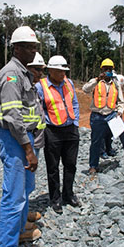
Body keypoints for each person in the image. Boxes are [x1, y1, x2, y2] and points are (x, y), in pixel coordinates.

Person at [0, 26, 42, 247]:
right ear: (16, 48)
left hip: (25, 139)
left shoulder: (23, 73)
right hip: (15, 140)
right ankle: (7, 245)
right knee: (14, 198)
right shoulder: (11, 74)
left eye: (34, 47)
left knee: (25, 190)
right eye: (29, 47)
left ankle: (20, 231)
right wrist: (28, 150)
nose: (33, 51)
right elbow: (13, 117)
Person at [35, 55, 81, 214]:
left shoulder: (69, 83)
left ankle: (68, 194)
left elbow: (75, 103)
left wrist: (75, 123)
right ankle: (55, 199)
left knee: (71, 165)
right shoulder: (41, 86)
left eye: (64, 71)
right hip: (52, 132)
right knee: (53, 168)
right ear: (51, 70)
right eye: (60, 71)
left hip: (70, 130)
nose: (63, 74)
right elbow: (39, 110)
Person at [82, 58, 124, 176]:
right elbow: (85, 89)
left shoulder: (116, 83)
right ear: (101, 70)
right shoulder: (95, 82)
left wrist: (119, 112)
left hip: (111, 115)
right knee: (96, 141)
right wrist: (97, 79)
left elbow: (121, 101)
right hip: (97, 116)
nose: (107, 71)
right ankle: (93, 166)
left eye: (109, 69)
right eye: (105, 69)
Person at [99, 72, 124, 159]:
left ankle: (108, 149)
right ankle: (102, 151)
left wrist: (119, 111)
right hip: (103, 113)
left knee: (110, 134)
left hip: (113, 113)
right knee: (102, 134)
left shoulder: (116, 85)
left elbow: (119, 100)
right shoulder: (102, 85)